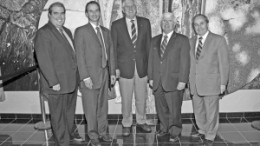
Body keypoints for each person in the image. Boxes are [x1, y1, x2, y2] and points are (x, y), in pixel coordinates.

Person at [34, 2, 82, 146]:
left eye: (62, 13)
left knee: (68, 114)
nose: (60, 16)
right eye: (56, 13)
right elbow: (44, 60)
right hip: (56, 84)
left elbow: (72, 56)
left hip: (70, 82)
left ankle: (67, 137)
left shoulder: (66, 31)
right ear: (49, 15)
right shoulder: (43, 32)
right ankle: (62, 142)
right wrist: (53, 82)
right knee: (58, 116)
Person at [74, 1, 116, 146]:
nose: (94, 13)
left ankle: (103, 133)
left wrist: (112, 73)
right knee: (91, 109)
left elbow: (111, 53)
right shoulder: (81, 31)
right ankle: (93, 135)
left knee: (103, 107)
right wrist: (85, 77)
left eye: (96, 10)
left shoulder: (106, 31)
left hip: (105, 74)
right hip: (89, 77)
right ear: (86, 13)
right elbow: (79, 56)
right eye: (91, 11)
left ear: (99, 12)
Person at [111, 0, 152, 136]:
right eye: (127, 7)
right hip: (124, 68)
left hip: (142, 67)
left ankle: (141, 121)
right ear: (123, 10)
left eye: (132, 6)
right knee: (126, 98)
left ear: (136, 8)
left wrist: (150, 68)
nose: (130, 9)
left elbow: (149, 47)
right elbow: (113, 50)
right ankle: (127, 123)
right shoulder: (116, 25)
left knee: (142, 97)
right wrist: (115, 67)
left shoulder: (145, 22)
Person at [148, 12, 190, 142]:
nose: (166, 23)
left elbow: (185, 61)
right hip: (157, 81)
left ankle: (175, 131)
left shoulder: (182, 40)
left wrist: (183, 80)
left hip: (174, 81)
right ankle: (164, 128)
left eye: (169, 20)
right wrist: (150, 77)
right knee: (161, 108)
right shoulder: (154, 40)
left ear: (175, 23)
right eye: (164, 21)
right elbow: (151, 60)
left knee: (174, 109)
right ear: (161, 23)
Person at [189, 14, 229, 145]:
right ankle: (202, 129)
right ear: (193, 27)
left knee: (211, 112)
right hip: (195, 83)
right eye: (196, 24)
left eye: (201, 23)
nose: (199, 27)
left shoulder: (218, 40)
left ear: (207, 24)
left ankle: (210, 135)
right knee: (198, 109)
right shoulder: (191, 41)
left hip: (212, 83)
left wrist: (223, 83)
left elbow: (224, 63)